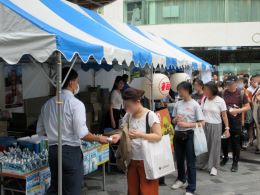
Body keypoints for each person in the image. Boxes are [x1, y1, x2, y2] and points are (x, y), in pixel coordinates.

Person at [36, 67, 109, 195]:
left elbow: (40, 132)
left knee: (56, 188)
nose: (78, 85)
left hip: (53, 151)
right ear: (71, 82)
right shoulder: (76, 104)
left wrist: (56, 133)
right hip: (70, 152)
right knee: (72, 190)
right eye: (77, 81)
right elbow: (82, 133)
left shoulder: (47, 104)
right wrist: (99, 138)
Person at [111, 88, 162, 195]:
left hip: (147, 160)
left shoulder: (150, 115)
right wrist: (118, 136)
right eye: (124, 106)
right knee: (132, 190)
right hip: (132, 159)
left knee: (148, 191)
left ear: (137, 102)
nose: (126, 109)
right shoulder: (128, 115)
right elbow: (123, 130)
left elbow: (158, 135)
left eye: (128, 106)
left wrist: (140, 135)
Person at [171, 81, 204, 195]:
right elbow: (173, 119)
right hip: (178, 134)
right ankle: (181, 179)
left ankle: (191, 187)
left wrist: (187, 125)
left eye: (180, 90)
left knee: (190, 162)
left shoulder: (195, 104)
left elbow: (202, 123)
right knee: (179, 160)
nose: (179, 92)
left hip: (190, 135)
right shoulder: (178, 103)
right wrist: (175, 120)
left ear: (187, 90)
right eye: (178, 90)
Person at [198, 81, 230, 176]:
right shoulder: (204, 99)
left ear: (213, 90)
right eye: (204, 89)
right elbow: (202, 112)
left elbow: (224, 116)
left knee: (214, 146)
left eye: (207, 90)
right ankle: (203, 163)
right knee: (204, 145)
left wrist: (227, 128)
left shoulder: (220, 100)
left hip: (216, 125)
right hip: (205, 125)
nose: (205, 91)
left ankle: (214, 167)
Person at [221, 75, 250, 172]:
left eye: (231, 84)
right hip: (224, 121)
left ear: (236, 83)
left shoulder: (241, 93)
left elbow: (247, 107)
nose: (229, 86)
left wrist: (238, 110)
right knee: (224, 141)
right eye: (228, 84)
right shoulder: (223, 93)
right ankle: (225, 157)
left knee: (235, 143)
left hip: (235, 122)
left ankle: (235, 162)